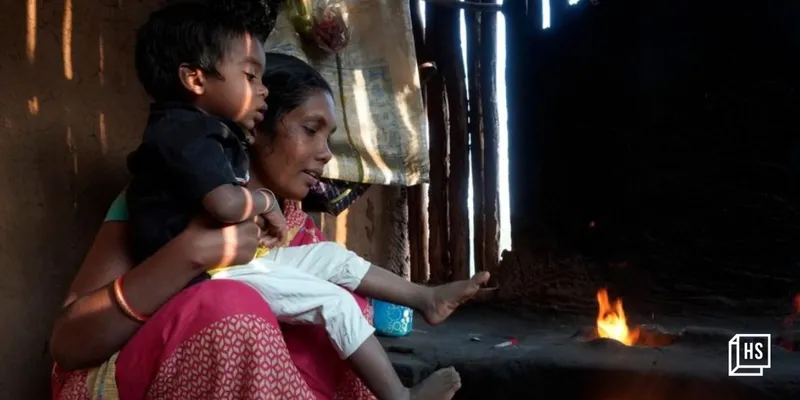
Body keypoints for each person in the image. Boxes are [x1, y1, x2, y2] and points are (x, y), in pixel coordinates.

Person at [49, 25, 484, 400]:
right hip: (137, 378)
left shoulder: (292, 221)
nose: (326, 154)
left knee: (338, 291)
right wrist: (191, 253)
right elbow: (68, 346)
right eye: (310, 130)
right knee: (235, 307)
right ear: (256, 126)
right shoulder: (165, 194)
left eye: (328, 137)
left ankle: (421, 305)